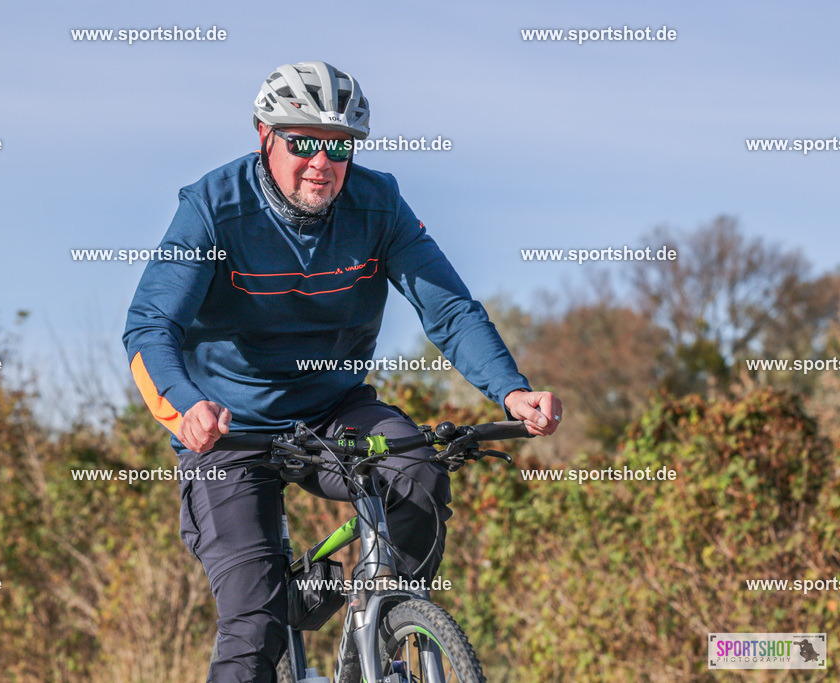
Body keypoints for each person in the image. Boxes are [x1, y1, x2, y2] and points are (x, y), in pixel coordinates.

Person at [123, 60, 562, 682]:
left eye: (339, 146)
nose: (321, 163)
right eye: (303, 142)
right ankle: (284, 609)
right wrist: (187, 404)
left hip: (333, 411)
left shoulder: (378, 205)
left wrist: (512, 390)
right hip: (228, 431)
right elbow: (148, 329)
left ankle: (376, 621)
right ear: (264, 135)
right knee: (254, 624)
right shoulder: (214, 208)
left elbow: (450, 309)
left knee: (417, 475)